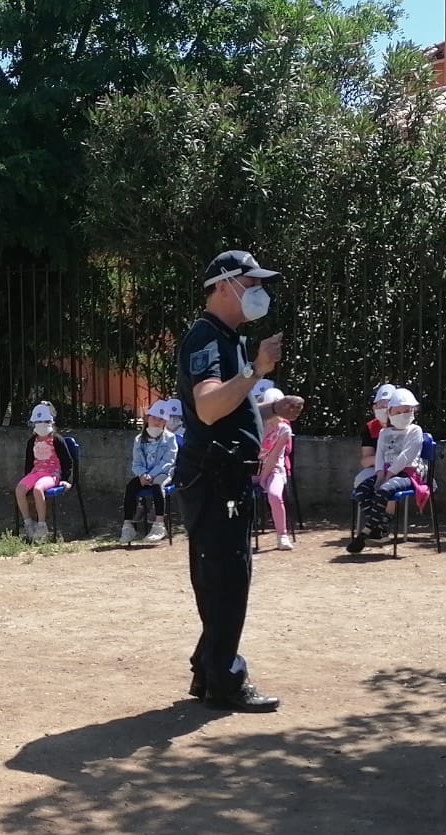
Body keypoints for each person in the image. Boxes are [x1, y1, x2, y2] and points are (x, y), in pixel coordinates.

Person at [175, 249, 283, 713]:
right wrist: (256, 370)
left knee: (222, 575)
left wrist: (269, 410)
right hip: (215, 478)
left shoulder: (227, 338)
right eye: (251, 283)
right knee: (226, 578)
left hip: (222, 476)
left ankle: (209, 668)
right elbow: (207, 407)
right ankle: (225, 681)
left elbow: (226, 412)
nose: (259, 292)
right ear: (223, 286)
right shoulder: (207, 338)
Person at [352, 387, 426, 542]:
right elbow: (379, 454)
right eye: (398, 412)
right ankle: (378, 525)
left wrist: (389, 475)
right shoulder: (383, 433)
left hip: (407, 473)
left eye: (406, 411)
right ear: (390, 413)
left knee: (385, 489)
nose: (402, 415)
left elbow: (406, 456)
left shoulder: (415, 431)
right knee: (362, 490)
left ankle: (374, 527)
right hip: (385, 472)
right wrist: (380, 473)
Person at [15, 400, 76, 542]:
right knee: (19, 489)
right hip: (35, 473)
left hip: (52, 474)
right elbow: (29, 462)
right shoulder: (32, 441)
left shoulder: (57, 440)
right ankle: (28, 523)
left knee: (38, 489)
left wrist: (65, 479)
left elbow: (67, 462)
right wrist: (27, 480)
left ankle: (42, 525)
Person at [121, 400, 179, 544]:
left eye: (161, 419)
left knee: (157, 487)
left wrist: (152, 475)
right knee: (131, 487)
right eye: (154, 418)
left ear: (165, 422)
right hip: (144, 475)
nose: (157, 422)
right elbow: (137, 462)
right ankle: (128, 525)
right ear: (148, 419)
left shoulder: (170, 439)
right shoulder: (139, 440)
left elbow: (168, 461)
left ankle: (159, 524)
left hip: (163, 474)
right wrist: (142, 474)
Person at [258, 394, 302, 550]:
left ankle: (282, 535)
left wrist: (263, 478)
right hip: (251, 468)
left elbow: (274, 456)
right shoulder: (256, 426)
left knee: (275, 495)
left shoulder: (284, 430)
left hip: (273, 470)